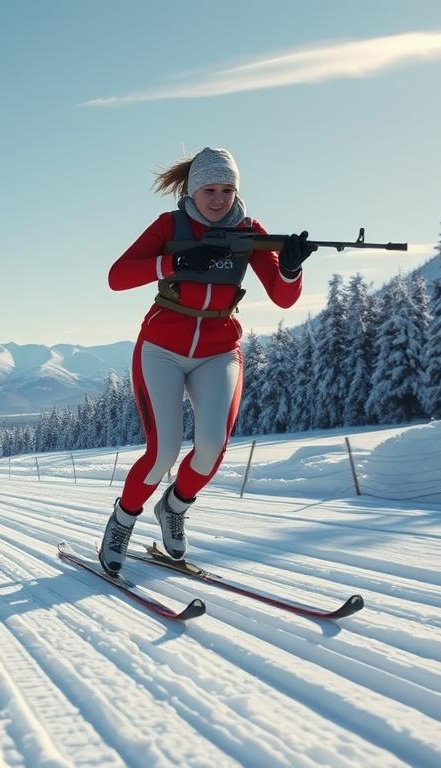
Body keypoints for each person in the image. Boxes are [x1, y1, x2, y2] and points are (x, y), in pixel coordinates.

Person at [97, 147, 314, 576]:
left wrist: (290, 268)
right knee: (162, 453)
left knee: (212, 445)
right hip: (161, 346)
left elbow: (283, 295)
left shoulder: (250, 231)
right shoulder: (170, 225)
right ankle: (122, 521)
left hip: (219, 349)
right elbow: (117, 277)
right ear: (193, 191)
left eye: (228, 189)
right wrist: (174, 260)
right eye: (210, 189)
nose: (219, 199)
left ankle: (173, 508)